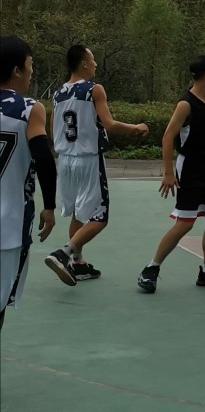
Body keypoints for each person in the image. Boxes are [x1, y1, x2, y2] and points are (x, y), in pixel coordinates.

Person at [47, 44, 148, 282]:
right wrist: (137, 127)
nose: (94, 64)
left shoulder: (58, 93)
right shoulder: (94, 89)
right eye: (92, 59)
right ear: (83, 63)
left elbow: (53, 131)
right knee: (100, 217)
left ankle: (78, 262)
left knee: (78, 212)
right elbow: (109, 124)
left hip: (65, 160)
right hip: (88, 159)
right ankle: (63, 253)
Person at [137, 56, 205, 293]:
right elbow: (167, 137)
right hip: (190, 168)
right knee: (185, 223)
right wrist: (168, 173)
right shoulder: (186, 104)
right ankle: (151, 268)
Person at [1, 36, 58, 327]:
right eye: (30, 65)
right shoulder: (28, 108)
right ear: (17, 70)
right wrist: (50, 206)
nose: (32, 72)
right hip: (8, 225)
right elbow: (44, 159)